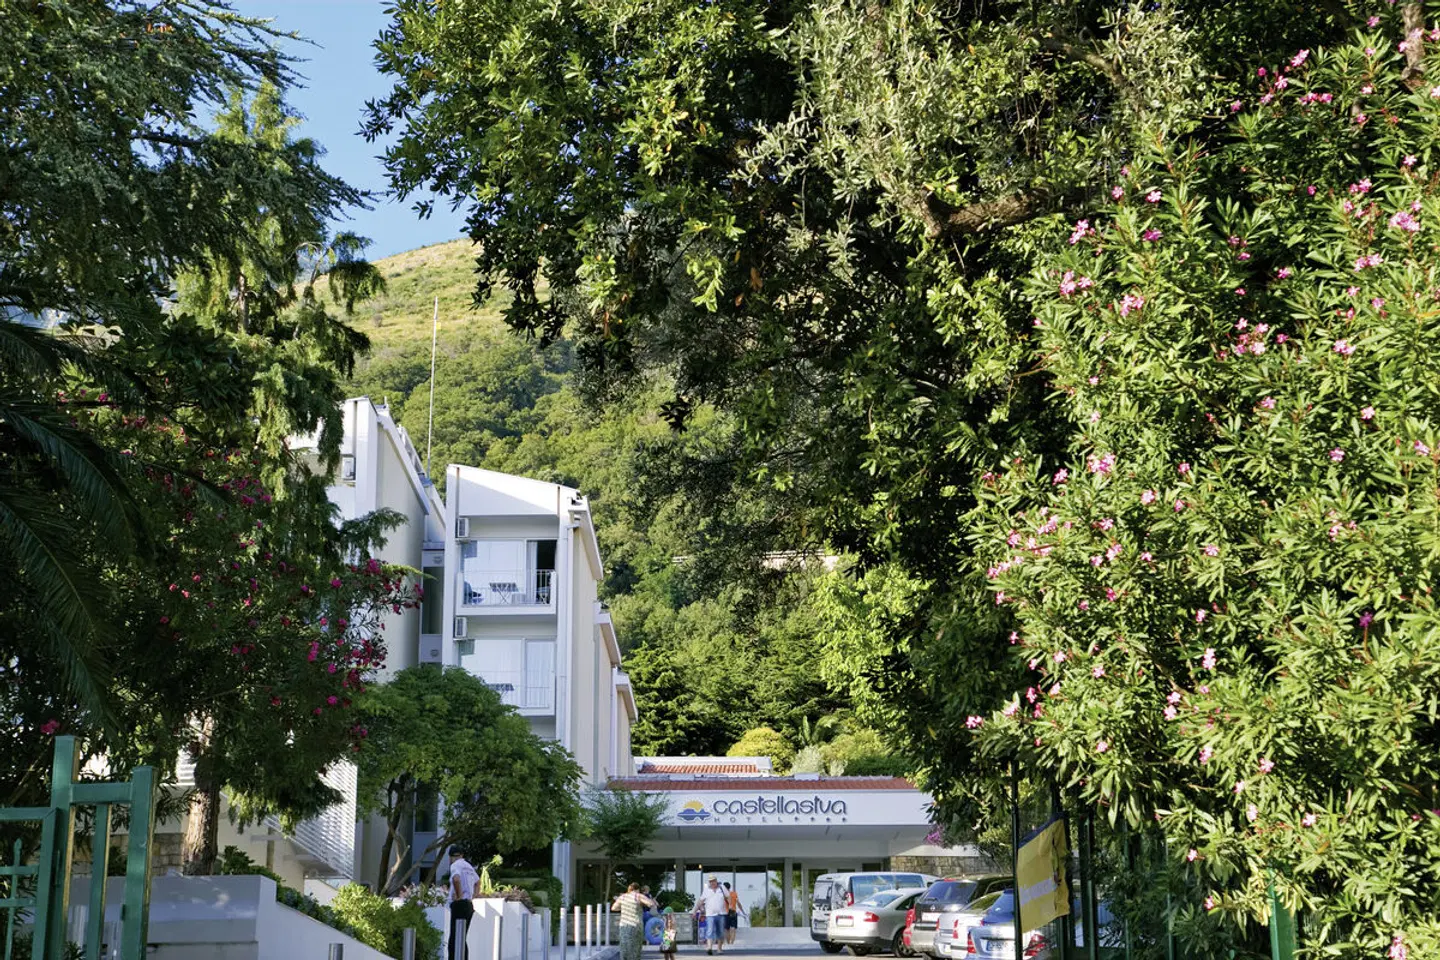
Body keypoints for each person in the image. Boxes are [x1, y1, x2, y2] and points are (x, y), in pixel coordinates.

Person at [448, 848, 480, 960]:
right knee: (462, 938)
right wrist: (473, 896)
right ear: (462, 855)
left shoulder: (455, 865)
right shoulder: (469, 866)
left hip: (459, 905)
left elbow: (456, 879)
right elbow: (478, 882)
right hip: (469, 905)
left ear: (451, 857)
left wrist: (459, 896)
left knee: (454, 940)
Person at [613, 882, 658, 960]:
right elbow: (651, 904)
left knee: (624, 947)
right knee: (635, 948)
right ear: (638, 889)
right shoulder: (639, 896)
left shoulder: (623, 897)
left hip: (624, 925)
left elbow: (614, 908)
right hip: (636, 925)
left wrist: (624, 907)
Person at [698, 876, 730, 956]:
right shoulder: (706, 890)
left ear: (716, 881)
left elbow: (728, 897)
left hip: (721, 913)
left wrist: (731, 907)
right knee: (710, 930)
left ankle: (719, 948)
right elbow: (701, 900)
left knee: (720, 932)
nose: (712, 883)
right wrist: (695, 911)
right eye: (710, 881)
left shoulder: (722, 888)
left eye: (713, 881)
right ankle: (709, 948)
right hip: (710, 914)